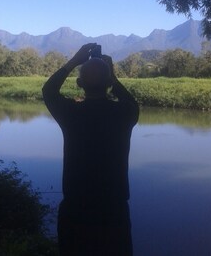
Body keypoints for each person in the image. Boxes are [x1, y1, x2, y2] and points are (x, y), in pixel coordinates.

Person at [42, 43, 139, 256]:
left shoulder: (70, 114)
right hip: (114, 208)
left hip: (76, 207)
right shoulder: (125, 113)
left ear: (79, 83)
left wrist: (74, 61)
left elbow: (48, 90)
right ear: (109, 82)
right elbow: (131, 101)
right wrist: (111, 74)